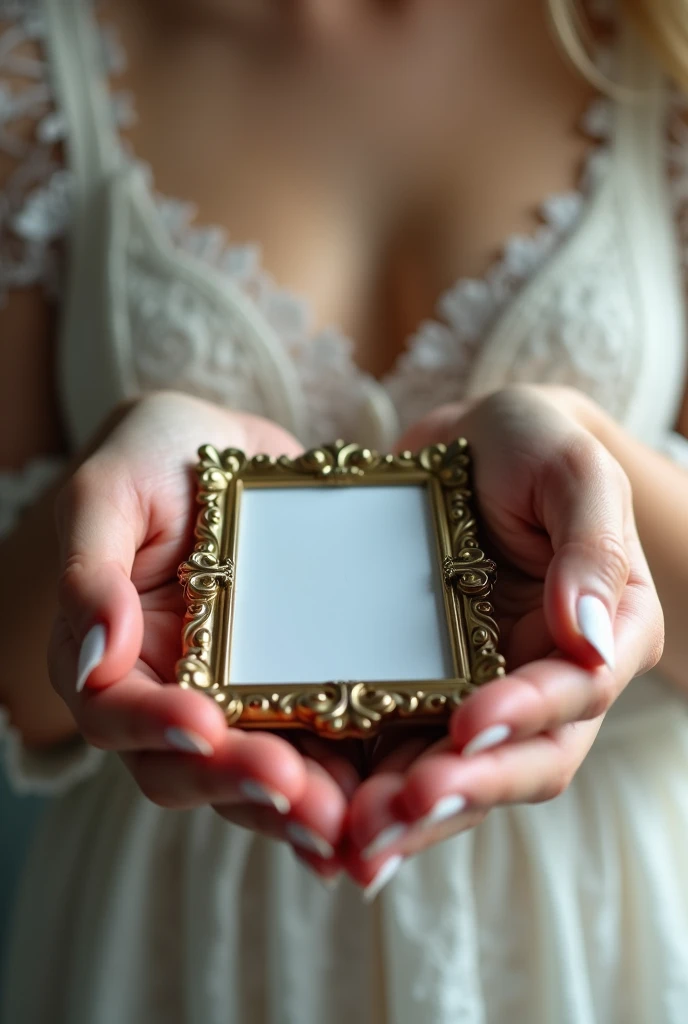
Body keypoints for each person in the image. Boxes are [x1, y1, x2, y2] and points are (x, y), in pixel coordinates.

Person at [0, 0, 687, 1021]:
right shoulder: (36, 63)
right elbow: (22, 683)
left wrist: (591, 460)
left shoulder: (656, 44)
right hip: (178, 938)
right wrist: (105, 518)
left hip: (589, 925)